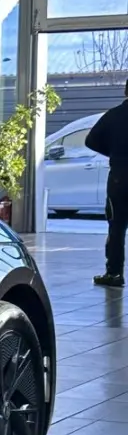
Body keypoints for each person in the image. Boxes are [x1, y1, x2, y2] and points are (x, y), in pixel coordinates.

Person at [86, 81, 128, 288]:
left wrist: (113, 152)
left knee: (117, 226)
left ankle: (114, 273)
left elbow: (90, 140)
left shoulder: (113, 115)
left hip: (120, 176)